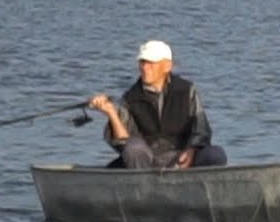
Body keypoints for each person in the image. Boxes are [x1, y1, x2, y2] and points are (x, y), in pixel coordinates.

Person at [88, 40, 228, 169]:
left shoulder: (187, 91)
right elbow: (124, 141)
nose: (145, 67)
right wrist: (111, 113)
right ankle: (144, 188)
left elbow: (201, 129)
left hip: (182, 158)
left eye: (151, 63)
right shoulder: (130, 97)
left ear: (167, 66)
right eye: (142, 62)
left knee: (215, 154)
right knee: (133, 148)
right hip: (146, 162)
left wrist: (192, 150)